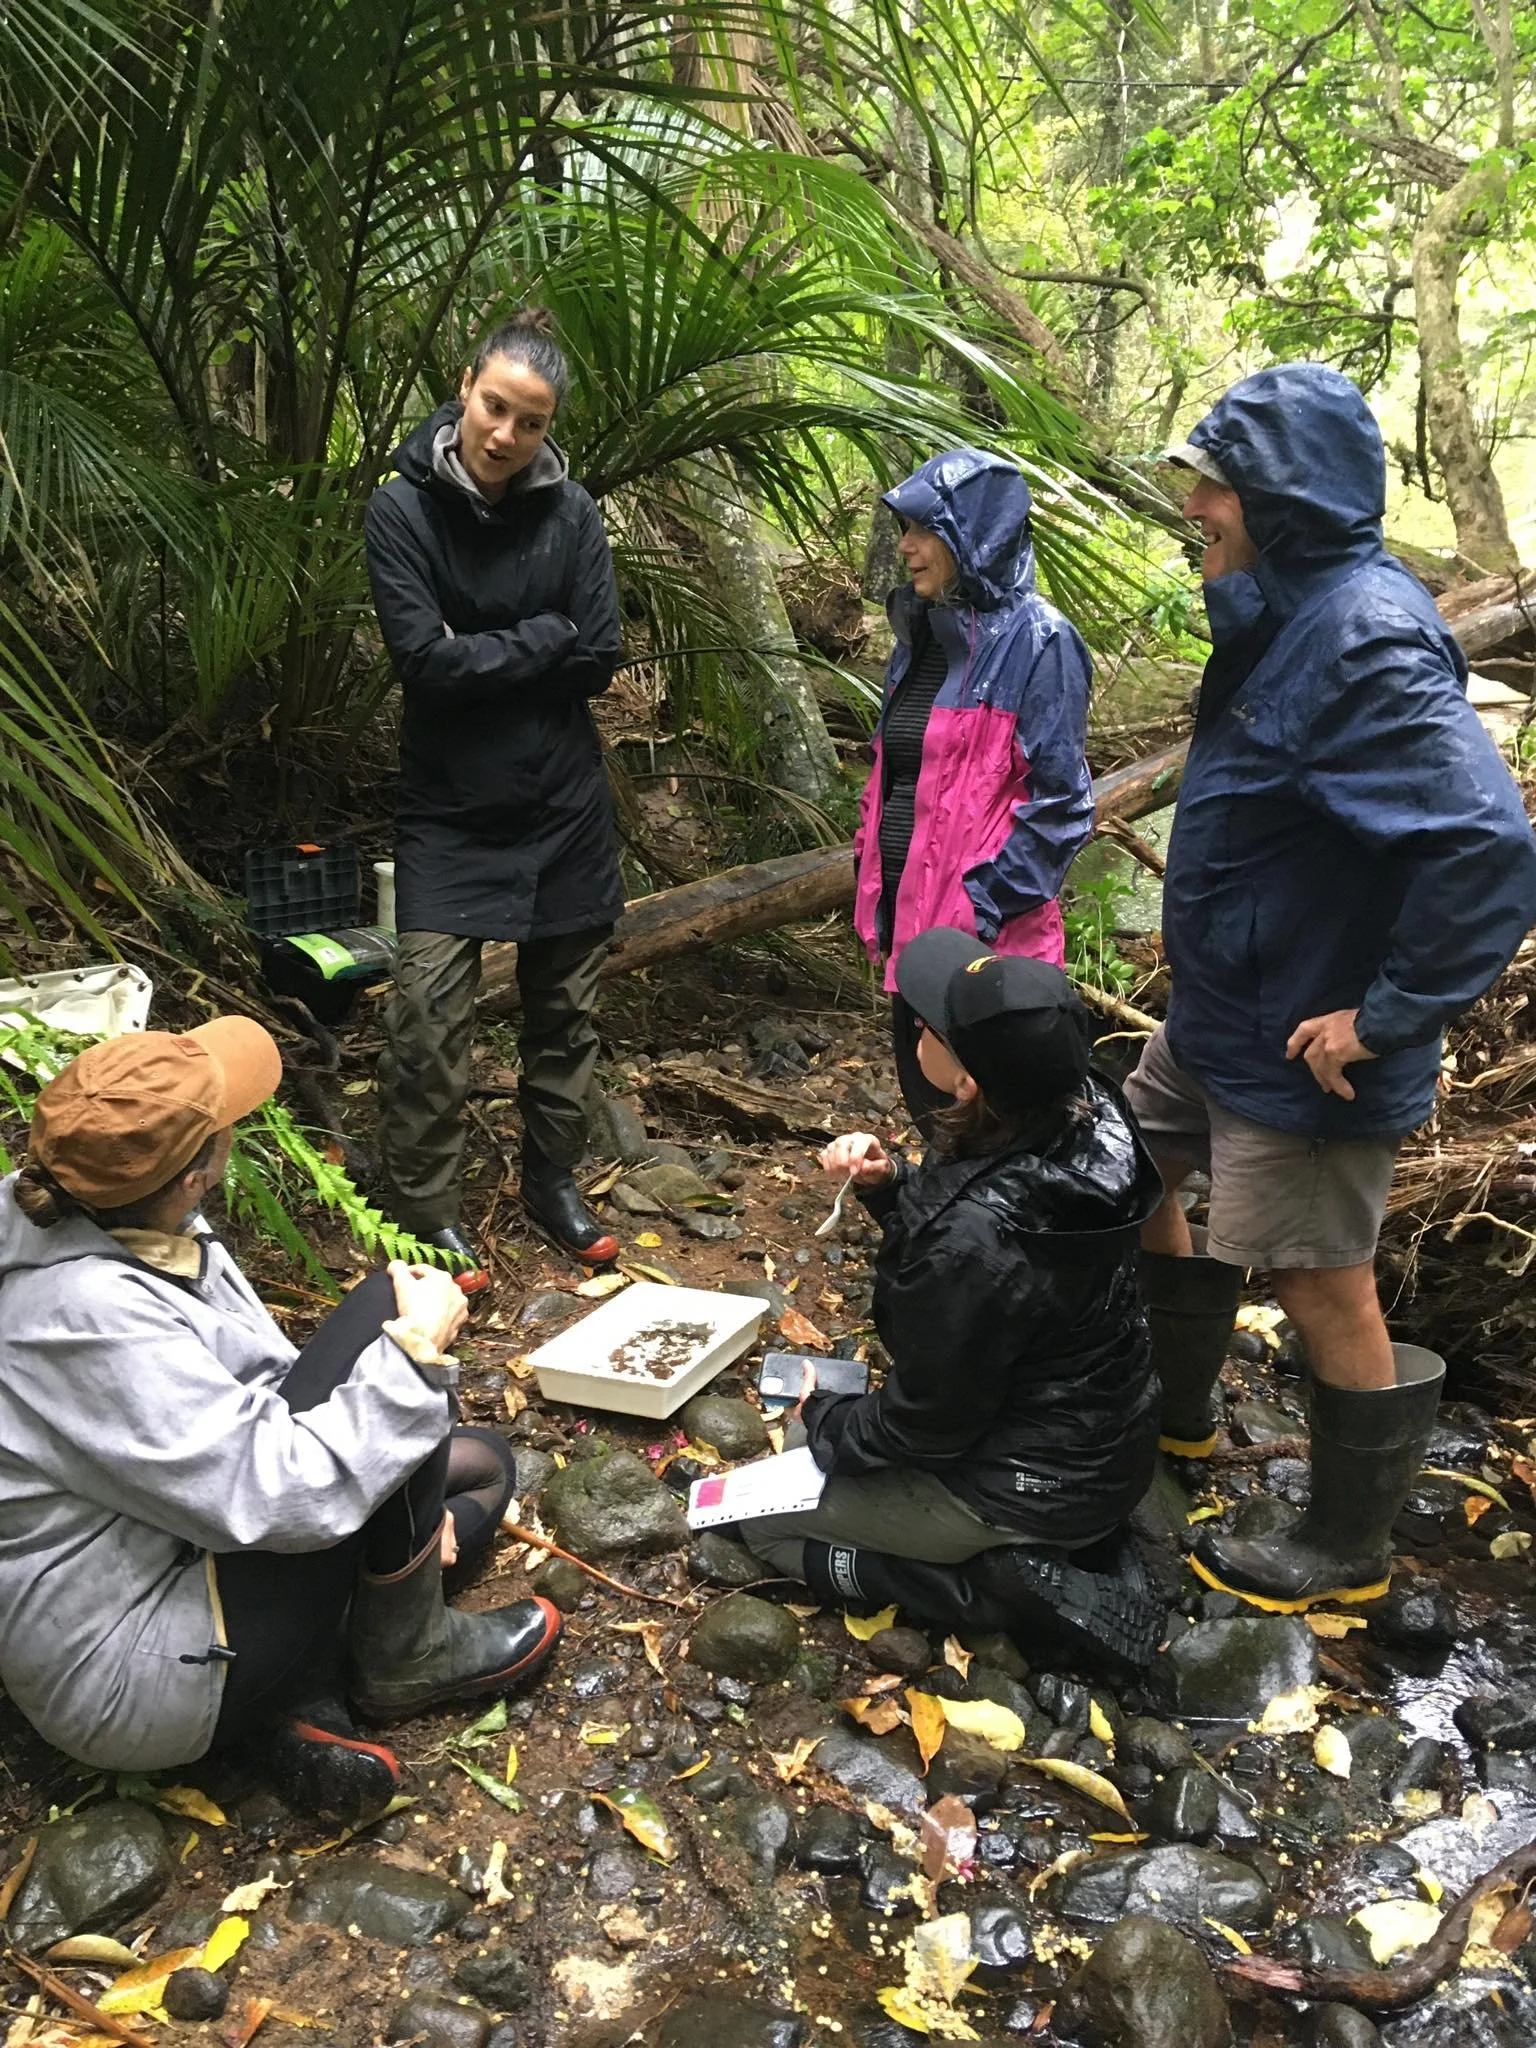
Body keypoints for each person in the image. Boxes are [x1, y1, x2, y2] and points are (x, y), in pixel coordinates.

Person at [1127, 362, 1536, 1611]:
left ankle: (1349, 1546)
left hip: (1308, 1044)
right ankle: (1179, 1413)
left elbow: (1484, 845)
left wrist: (1388, 1014)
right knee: (1135, 1163)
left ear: (1278, 499)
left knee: (1319, 1275)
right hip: (1219, 1016)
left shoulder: (1361, 635)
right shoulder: (1282, 608)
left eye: (1216, 485)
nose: (1194, 502)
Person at [0, 1022, 562, 1820]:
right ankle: (403, 1654)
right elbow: (281, 1497)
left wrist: (405, 1484)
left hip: (183, 1541)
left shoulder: (112, 1218)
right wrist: (411, 1355)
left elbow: (262, 1389)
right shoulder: (78, 1318)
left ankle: (297, 1699)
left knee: (483, 1465)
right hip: (128, 1665)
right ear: (195, 1175)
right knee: (386, 1319)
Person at [742, 927, 1165, 1676]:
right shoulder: (1093, 1108)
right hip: (1107, 1445)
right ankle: (1064, 1542)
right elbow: (1001, 1251)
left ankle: (988, 1589)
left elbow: (927, 1425)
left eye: (928, 1028)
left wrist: (826, 1420)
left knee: (760, 1521)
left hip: (1024, 1487)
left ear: (967, 1081)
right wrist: (894, 1186)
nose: (914, 1031)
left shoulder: (975, 1241)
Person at [365, 309, 623, 1279]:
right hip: (449, 808)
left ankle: (550, 1180)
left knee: (565, 1013)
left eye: (530, 421)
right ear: (465, 386)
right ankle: (422, 1210)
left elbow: (599, 653)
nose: (507, 435)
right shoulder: (402, 510)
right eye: (495, 407)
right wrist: (542, 637)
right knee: (426, 1017)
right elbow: (422, 665)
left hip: (564, 805)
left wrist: (501, 649)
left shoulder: (573, 514)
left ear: (548, 428)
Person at [852, 449, 1095, 1131]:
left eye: (924, 530)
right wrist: (875, 887)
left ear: (973, 535)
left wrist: (977, 914)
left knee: (994, 1136)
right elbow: (896, 775)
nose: (905, 547)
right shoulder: (922, 637)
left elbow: (1062, 805)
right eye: (905, 529)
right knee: (934, 1118)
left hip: (985, 958)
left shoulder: (1041, 642)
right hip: (915, 936)